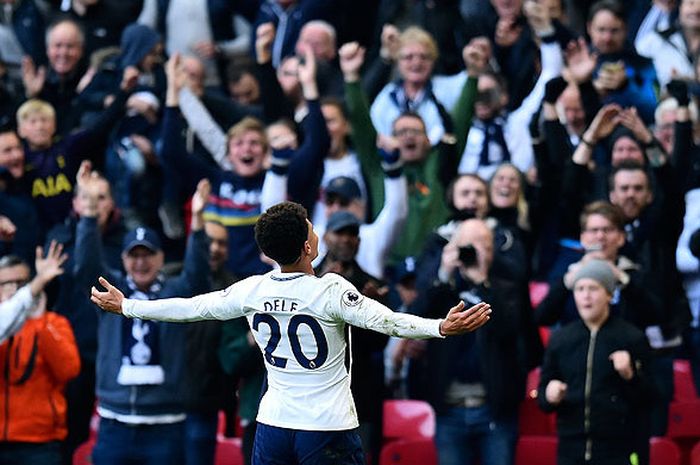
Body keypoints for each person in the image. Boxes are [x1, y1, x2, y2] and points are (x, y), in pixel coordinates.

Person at [90, 201, 492, 465]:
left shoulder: (253, 290)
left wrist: (127, 306)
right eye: (312, 229)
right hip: (327, 429)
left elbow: (191, 308)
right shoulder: (330, 290)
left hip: (274, 426)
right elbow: (385, 320)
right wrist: (439, 327)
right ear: (308, 247)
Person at [73, 169, 211, 465]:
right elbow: (86, 265)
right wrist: (89, 210)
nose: (140, 262)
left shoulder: (176, 293)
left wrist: (198, 223)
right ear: (122, 260)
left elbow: (199, 276)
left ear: (162, 258)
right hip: (114, 423)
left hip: (166, 424)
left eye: (147, 254)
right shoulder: (111, 294)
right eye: (133, 255)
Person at [538, 259, 654, 465]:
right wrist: (549, 395)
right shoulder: (561, 339)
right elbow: (544, 396)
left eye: (593, 288)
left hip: (616, 450)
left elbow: (649, 397)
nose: (586, 295)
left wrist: (630, 375)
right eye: (580, 288)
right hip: (570, 449)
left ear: (609, 294)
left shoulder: (631, 337)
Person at [0, 248, 80, 465]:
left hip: (40, 443)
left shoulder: (53, 323)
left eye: (21, 282)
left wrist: (39, 323)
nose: (14, 289)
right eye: (6, 284)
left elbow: (69, 371)